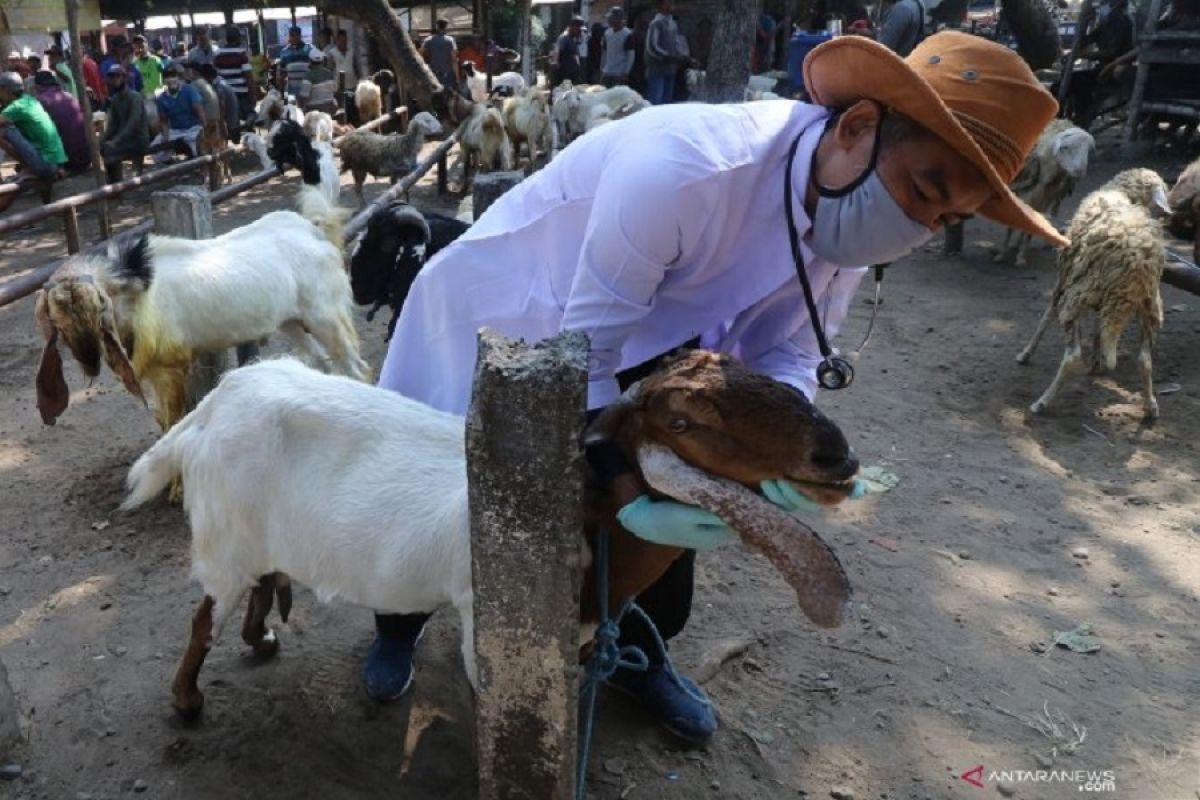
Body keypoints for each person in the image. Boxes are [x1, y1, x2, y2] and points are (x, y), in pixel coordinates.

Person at [363, 32, 1066, 744]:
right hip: (510, 314)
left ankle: (635, 648)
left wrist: (779, 455)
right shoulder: (684, 173)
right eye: (923, 189)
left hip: (643, 338)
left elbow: (789, 351)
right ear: (858, 129)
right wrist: (630, 492)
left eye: (946, 218)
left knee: (682, 476)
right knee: (441, 493)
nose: (921, 226)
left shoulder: (846, 225)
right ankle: (398, 623)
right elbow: (581, 358)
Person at [0, 71, 67, 212]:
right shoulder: (29, 100)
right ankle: (28, 170)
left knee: (4, 130)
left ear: (5, 90)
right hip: (56, 160)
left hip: (46, 164)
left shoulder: (16, 107)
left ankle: (27, 167)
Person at [1062, 0, 1135, 128]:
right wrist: (1084, 23)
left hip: (1112, 71)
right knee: (1063, 84)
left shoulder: (1122, 21)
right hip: (1101, 69)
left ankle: (1082, 120)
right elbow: (1084, 42)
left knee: (1079, 82)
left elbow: (1111, 52)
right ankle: (1070, 118)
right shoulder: (1106, 22)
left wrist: (1080, 55)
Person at [31, 70, 89, 172]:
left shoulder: (40, 101)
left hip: (67, 160)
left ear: (37, 86)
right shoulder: (69, 96)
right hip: (86, 156)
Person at [100, 62, 148, 182]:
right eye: (112, 77)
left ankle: (119, 184)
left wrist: (116, 141)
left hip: (138, 139)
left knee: (111, 152)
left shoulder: (135, 97)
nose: (114, 80)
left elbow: (133, 123)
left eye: (117, 76)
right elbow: (112, 125)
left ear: (123, 78)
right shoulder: (115, 99)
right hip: (125, 140)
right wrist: (103, 141)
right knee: (104, 149)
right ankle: (115, 182)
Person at [152, 63, 205, 163]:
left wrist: (204, 129)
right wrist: (165, 138)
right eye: (168, 76)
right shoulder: (161, 98)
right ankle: (171, 163)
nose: (171, 79)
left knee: (199, 152)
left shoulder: (189, 90)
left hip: (193, 129)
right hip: (175, 131)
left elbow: (200, 111)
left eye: (173, 76)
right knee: (156, 150)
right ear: (164, 80)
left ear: (177, 77)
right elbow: (164, 121)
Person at [644, 0, 685, 104]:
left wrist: (682, 56)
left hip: (670, 69)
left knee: (667, 102)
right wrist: (668, 56)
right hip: (657, 69)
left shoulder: (673, 23)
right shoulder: (656, 23)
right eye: (668, 3)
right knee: (656, 101)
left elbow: (676, 43)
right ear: (660, 6)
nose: (672, 5)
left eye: (672, 3)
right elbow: (652, 47)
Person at [214, 28, 255, 121]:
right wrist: (253, 98)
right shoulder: (241, 54)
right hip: (240, 95)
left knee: (229, 121)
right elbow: (249, 78)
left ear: (227, 39)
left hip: (224, 94)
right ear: (238, 39)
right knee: (250, 116)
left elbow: (215, 75)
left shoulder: (218, 54)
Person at [203, 63, 239, 143]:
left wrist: (223, 132)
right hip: (234, 120)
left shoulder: (218, 88)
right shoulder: (221, 81)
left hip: (230, 124)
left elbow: (221, 112)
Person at [421, 19, 459, 91]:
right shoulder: (450, 40)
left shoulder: (428, 40)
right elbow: (454, 60)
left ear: (437, 27)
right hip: (446, 73)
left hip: (433, 73)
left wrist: (425, 66)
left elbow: (419, 53)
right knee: (447, 94)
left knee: (435, 94)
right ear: (446, 27)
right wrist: (457, 78)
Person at [601, 7, 636, 87]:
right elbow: (604, 52)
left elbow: (630, 55)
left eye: (611, 18)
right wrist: (602, 68)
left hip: (619, 74)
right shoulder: (607, 33)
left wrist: (626, 72)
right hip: (607, 72)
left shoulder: (627, 34)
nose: (609, 20)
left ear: (618, 19)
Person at [278, 25, 313, 99]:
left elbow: (314, 67)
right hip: (291, 88)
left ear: (300, 36)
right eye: (292, 35)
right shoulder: (284, 52)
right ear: (289, 36)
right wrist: (282, 90)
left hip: (307, 85)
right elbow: (282, 72)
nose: (295, 37)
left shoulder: (309, 48)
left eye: (297, 35)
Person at [555, 16, 586, 84]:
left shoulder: (573, 39)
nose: (580, 32)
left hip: (573, 76)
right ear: (573, 27)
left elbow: (575, 55)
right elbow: (557, 57)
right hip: (564, 78)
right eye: (579, 30)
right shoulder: (564, 38)